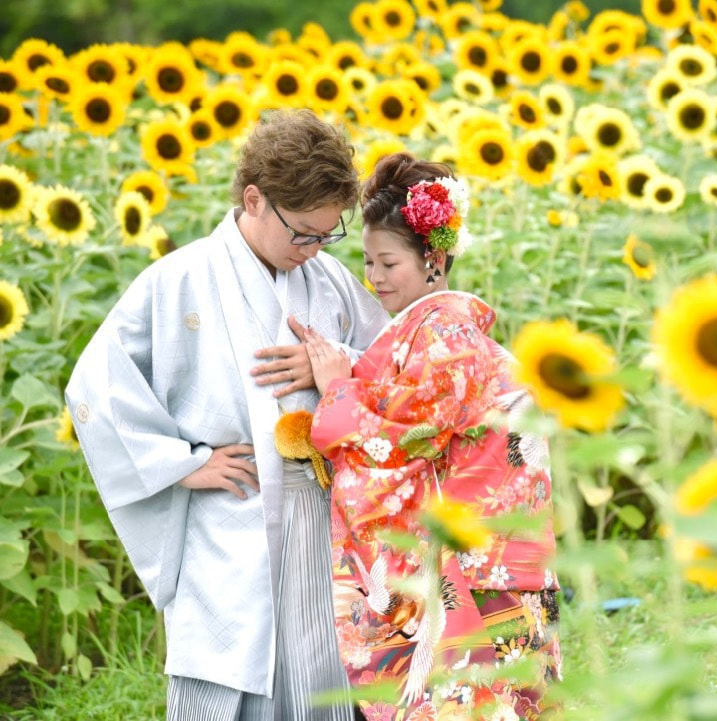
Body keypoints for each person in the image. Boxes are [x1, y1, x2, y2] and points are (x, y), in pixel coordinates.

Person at [64, 109, 389, 720]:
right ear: (254, 198)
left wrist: (333, 361)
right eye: (302, 233)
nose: (314, 249)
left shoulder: (330, 281)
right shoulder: (178, 281)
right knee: (227, 674)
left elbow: (389, 362)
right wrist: (179, 465)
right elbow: (96, 387)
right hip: (229, 510)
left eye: (328, 234)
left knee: (323, 673)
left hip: (320, 515)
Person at [303, 152, 561, 721]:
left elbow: (400, 437)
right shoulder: (444, 331)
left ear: (434, 260)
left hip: (477, 564)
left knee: (469, 705)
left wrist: (336, 392)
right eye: (368, 261)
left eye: (388, 262)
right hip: (506, 556)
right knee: (510, 699)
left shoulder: (441, 334)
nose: (374, 278)